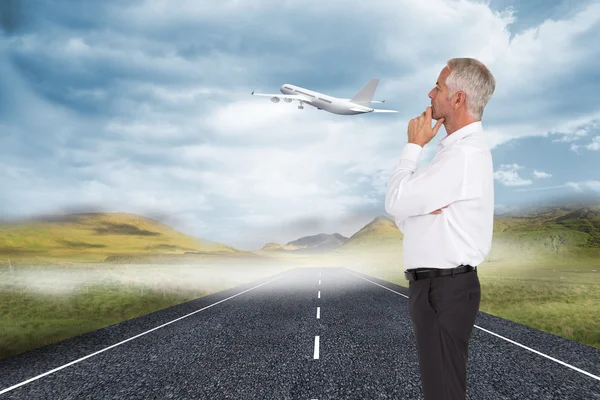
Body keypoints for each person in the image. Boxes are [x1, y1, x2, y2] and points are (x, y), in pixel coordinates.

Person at [384, 57, 496, 400]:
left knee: (443, 392)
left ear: (458, 99)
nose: (430, 93)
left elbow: (396, 202)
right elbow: (406, 218)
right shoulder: (456, 153)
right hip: (439, 288)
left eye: (439, 87)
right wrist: (417, 211)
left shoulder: (461, 156)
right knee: (441, 388)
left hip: (443, 289)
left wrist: (412, 148)